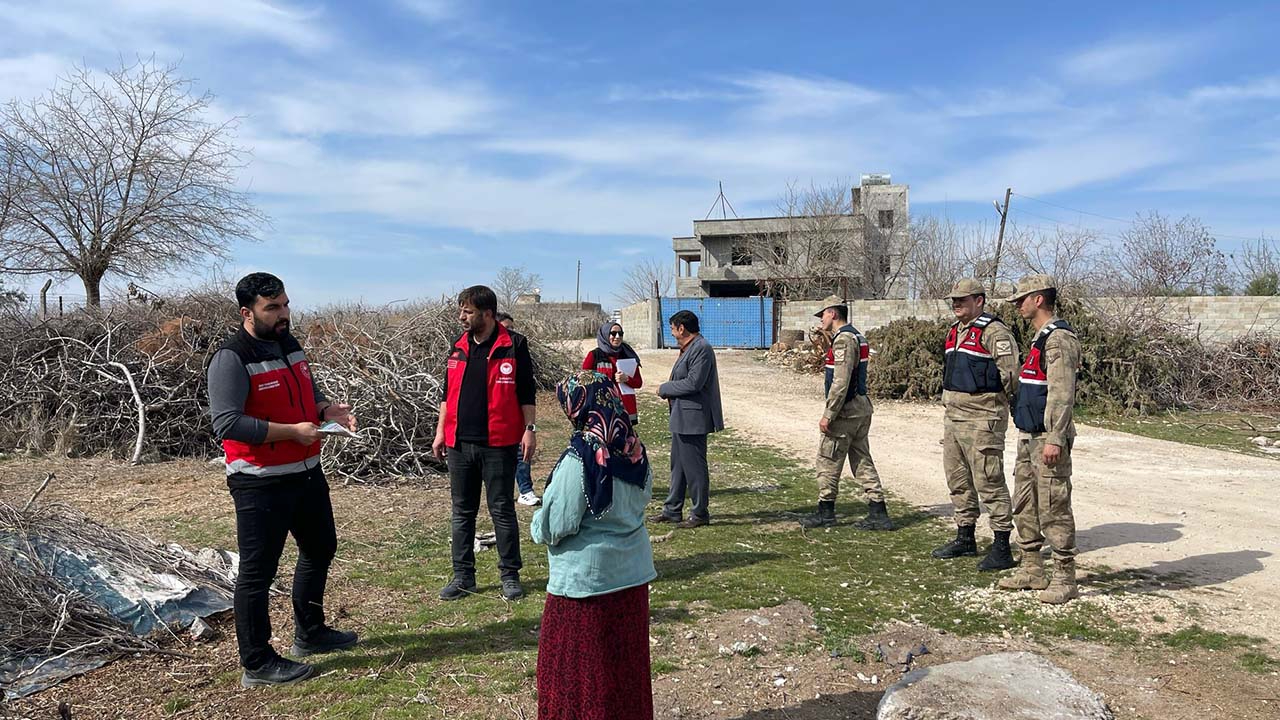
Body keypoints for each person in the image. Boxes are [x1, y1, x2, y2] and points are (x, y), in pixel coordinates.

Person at [206, 272, 359, 688]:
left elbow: (304, 397)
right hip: (259, 481)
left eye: (285, 304)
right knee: (258, 572)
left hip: (306, 473)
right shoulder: (231, 357)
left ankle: (310, 633)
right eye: (272, 308)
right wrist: (292, 431)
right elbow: (227, 422)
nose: (283, 314)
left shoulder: (289, 344)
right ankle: (256, 662)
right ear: (247, 312)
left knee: (320, 547)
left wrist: (326, 410)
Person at [531, 370, 656, 720]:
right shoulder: (633, 449)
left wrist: (536, 524)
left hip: (586, 590)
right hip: (631, 583)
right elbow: (644, 496)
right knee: (622, 674)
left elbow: (557, 523)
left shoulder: (581, 457)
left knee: (577, 675)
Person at [432, 286, 537, 602]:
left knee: (502, 509)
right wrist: (440, 432)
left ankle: (510, 575)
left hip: (499, 443)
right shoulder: (458, 347)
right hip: (460, 444)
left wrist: (529, 429)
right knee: (462, 512)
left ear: (487, 314)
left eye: (467, 311)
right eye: (461, 310)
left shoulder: (514, 345)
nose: (462, 317)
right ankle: (463, 576)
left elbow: (526, 393)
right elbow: (446, 396)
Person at [998, 275, 1083, 604]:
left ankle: (1065, 577)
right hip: (1029, 434)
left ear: (1039, 299)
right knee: (1026, 503)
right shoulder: (1040, 338)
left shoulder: (1059, 339)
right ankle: (1032, 568)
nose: (1018, 305)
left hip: (1047, 437)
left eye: (1022, 299)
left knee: (1053, 505)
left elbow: (1062, 394)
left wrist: (1056, 438)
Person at [931, 279, 1020, 571]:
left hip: (983, 416)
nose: (956, 304)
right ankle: (965, 535)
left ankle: (1002, 546)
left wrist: (1008, 409)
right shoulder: (955, 331)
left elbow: (1010, 375)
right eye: (953, 300)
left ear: (979, 300)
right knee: (957, 478)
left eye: (963, 299)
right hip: (954, 416)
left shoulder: (994, 331)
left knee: (989, 480)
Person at [800, 296, 893, 530]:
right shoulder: (857, 336)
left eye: (823, 314)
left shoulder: (843, 340)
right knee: (862, 460)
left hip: (846, 411)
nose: (821, 319)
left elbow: (841, 383)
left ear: (833, 313)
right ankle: (877, 510)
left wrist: (829, 414)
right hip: (861, 408)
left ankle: (826, 511)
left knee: (828, 460)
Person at [651, 310, 723, 529]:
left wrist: (665, 388)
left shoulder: (701, 348)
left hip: (694, 417)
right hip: (681, 416)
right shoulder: (688, 349)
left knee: (694, 468)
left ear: (682, 328)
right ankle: (673, 509)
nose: (672, 333)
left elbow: (694, 383)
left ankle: (700, 512)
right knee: (679, 466)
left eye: (672, 328)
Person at [497, 312, 540, 507]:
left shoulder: (518, 351)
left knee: (521, 452)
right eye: (507, 328)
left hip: (516, 416)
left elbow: (527, 388)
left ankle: (525, 490)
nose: (511, 333)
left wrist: (529, 426)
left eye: (512, 328)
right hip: (495, 420)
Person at [582, 320, 643, 424]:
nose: (617, 336)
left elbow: (638, 383)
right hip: (602, 408)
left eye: (621, 334)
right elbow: (583, 381)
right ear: (605, 335)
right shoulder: (594, 356)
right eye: (613, 333)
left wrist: (627, 379)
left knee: (624, 439)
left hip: (625, 409)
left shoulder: (628, 354)